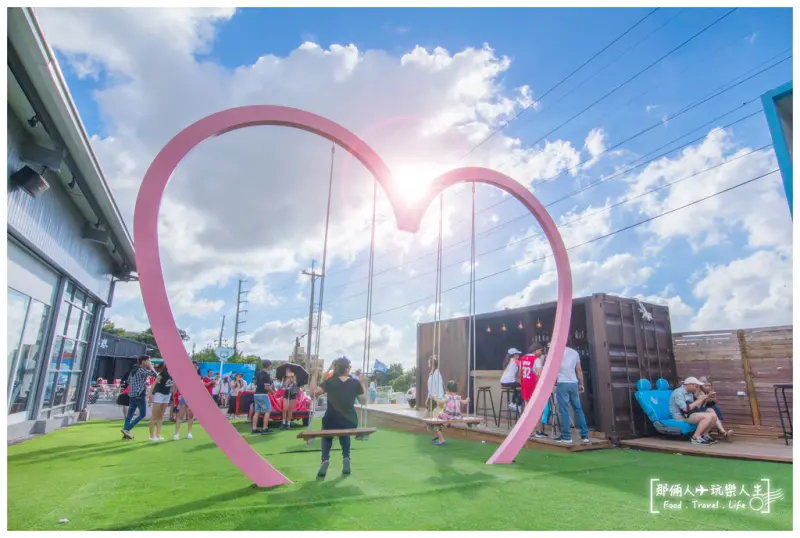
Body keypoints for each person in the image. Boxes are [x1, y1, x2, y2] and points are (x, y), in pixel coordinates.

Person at [309, 356, 366, 478]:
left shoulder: (330, 381)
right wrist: (362, 383)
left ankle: (325, 459)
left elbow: (313, 394)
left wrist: (314, 375)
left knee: (327, 434)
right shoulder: (354, 382)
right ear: (347, 369)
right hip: (350, 421)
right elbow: (363, 401)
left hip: (331, 420)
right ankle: (346, 457)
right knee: (344, 431)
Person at [669, 377, 727, 445]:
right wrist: (699, 400)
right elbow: (685, 409)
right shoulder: (678, 392)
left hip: (688, 414)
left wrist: (706, 397)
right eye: (696, 386)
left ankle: (704, 435)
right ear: (691, 384)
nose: (697, 388)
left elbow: (696, 407)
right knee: (707, 416)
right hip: (680, 416)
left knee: (713, 415)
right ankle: (695, 438)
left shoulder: (690, 393)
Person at [554, 345, 591, 445]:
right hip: (573, 383)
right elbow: (579, 370)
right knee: (578, 409)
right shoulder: (574, 352)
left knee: (564, 410)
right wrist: (581, 383)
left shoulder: (556, 352)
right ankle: (585, 435)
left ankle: (567, 436)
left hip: (562, 383)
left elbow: (553, 369)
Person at [121, 355, 158, 439]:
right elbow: (155, 375)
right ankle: (126, 429)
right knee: (142, 414)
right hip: (140, 395)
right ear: (143, 361)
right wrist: (151, 367)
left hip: (132, 395)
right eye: (148, 361)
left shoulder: (134, 370)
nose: (149, 362)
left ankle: (126, 434)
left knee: (129, 415)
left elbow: (129, 381)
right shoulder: (142, 370)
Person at [431, 380, 469, 447]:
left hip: (448, 416)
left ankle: (442, 441)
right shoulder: (458, 397)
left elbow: (440, 402)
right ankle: (437, 435)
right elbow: (464, 402)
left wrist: (434, 398)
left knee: (436, 423)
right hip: (457, 417)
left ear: (448, 389)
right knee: (440, 420)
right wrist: (467, 400)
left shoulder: (448, 397)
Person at [148, 363, 173, 442]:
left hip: (167, 395)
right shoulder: (162, 374)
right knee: (154, 415)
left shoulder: (173, 375)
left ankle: (158, 435)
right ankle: (152, 436)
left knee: (161, 415)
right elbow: (154, 383)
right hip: (159, 394)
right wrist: (150, 394)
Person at [251, 361, 274, 435]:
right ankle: (265, 428)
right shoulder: (266, 375)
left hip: (256, 394)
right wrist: (272, 392)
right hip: (263, 395)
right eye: (271, 366)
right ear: (268, 366)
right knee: (268, 411)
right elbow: (266, 387)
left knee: (257, 411)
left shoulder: (258, 373)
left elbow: (255, 383)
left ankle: (254, 428)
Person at [500, 348, 523, 413]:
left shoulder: (508, 361)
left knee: (517, 387)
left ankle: (513, 403)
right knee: (522, 387)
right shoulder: (516, 361)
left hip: (503, 382)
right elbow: (523, 367)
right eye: (518, 354)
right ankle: (516, 404)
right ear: (514, 355)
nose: (519, 356)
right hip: (509, 381)